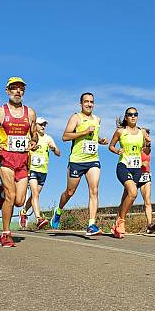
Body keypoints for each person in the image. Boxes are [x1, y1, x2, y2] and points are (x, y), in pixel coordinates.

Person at [0, 76, 38, 247]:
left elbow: (34, 133)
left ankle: (1, 193)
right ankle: (6, 233)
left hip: (23, 159)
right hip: (5, 158)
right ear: (7, 91)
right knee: (11, 195)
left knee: (20, 201)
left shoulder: (30, 113)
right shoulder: (0, 112)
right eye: (14, 88)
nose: (18, 91)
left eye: (21, 88)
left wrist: (34, 141)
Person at [50, 92, 108, 236]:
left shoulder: (97, 119)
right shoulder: (76, 118)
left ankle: (91, 225)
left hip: (93, 160)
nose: (89, 104)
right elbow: (65, 136)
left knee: (94, 190)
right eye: (86, 101)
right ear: (81, 103)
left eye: (91, 102)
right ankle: (58, 211)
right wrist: (84, 131)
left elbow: (93, 135)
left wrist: (100, 140)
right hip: (76, 161)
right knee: (70, 192)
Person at [108, 108, 151, 238]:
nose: (133, 117)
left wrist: (148, 144)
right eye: (130, 115)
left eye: (135, 114)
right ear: (126, 117)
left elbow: (146, 152)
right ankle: (121, 221)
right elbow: (111, 146)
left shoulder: (142, 132)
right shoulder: (121, 131)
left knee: (125, 197)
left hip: (136, 169)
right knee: (133, 193)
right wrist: (117, 151)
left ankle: (116, 225)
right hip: (124, 166)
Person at [18, 117, 60, 229]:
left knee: (34, 195)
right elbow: (22, 151)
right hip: (32, 169)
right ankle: (38, 218)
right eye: (41, 124)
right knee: (35, 194)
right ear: (35, 125)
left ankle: (23, 211)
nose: (43, 127)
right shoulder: (30, 137)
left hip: (43, 171)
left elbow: (58, 153)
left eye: (44, 125)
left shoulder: (48, 138)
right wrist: (31, 148)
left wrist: (53, 149)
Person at [138, 147, 155, 234]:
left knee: (147, 201)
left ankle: (150, 225)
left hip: (145, 176)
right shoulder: (134, 145)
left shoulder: (148, 149)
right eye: (147, 134)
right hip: (134, 175)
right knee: (128, 200)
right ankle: (119, 222)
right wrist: (141, 164)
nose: (148, 136)